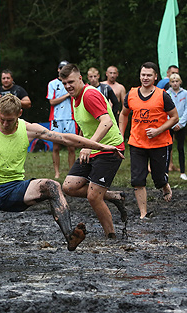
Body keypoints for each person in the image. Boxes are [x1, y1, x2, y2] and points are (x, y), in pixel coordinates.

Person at [0, 93, 122, 258]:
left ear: (19, 115)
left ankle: (70, 236)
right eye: (2, 119)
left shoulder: (28, 128)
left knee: (52, 186)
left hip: (15, 188)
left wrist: (100, 146)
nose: (6, 124)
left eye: (10, 120)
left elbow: (65, 138)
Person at [59, 64, 127, 238]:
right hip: (93, 149)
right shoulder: (75, 98)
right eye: (64, 83)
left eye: (71, 82)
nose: (68, 86)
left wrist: (89, 146)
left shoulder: (89, 95)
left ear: (80, 79)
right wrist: (84, 144)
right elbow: (86, 126)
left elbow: (107, 122)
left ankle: (111, 236)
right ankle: (112, 196)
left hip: (110, 149)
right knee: (69, 186)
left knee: (93, 197)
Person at [119, 62, 179, 219]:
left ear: (155, 77)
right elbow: (124, 114)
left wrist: (158, 130)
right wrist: (120, 134)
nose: (145, 78)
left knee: (158, 177)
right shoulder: (131, 94)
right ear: (140, 75)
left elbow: (174, 117)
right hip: (137, 143)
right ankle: (143, 214)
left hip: (159, 143)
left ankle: (164, 185)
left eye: (149, 75)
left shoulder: (163, 95)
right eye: (143, 74)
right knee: (138, 179)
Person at [46, 60, 76, 179]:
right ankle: (57, 173)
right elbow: (52, 101)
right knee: (56, 147)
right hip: (56, 119)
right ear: (58, 70)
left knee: (71, 147)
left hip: (70, 117)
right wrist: (66, 96)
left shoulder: (72, 83)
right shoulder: (52, 84)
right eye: (61, 68)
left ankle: (72, 173)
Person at [166, 73, 187, 180]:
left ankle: (183, 171)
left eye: (177, 81)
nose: (175, 83)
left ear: (180, 82)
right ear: (170, 83)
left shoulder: (185, 93)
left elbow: (186, 110)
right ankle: (165, 172)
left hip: (181, 125)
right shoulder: (166, 93)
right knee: (168, 147)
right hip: (169, 124)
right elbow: (164, 110)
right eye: (173, 82)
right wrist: (171, 123)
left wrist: (180, 123)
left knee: (180, 148)